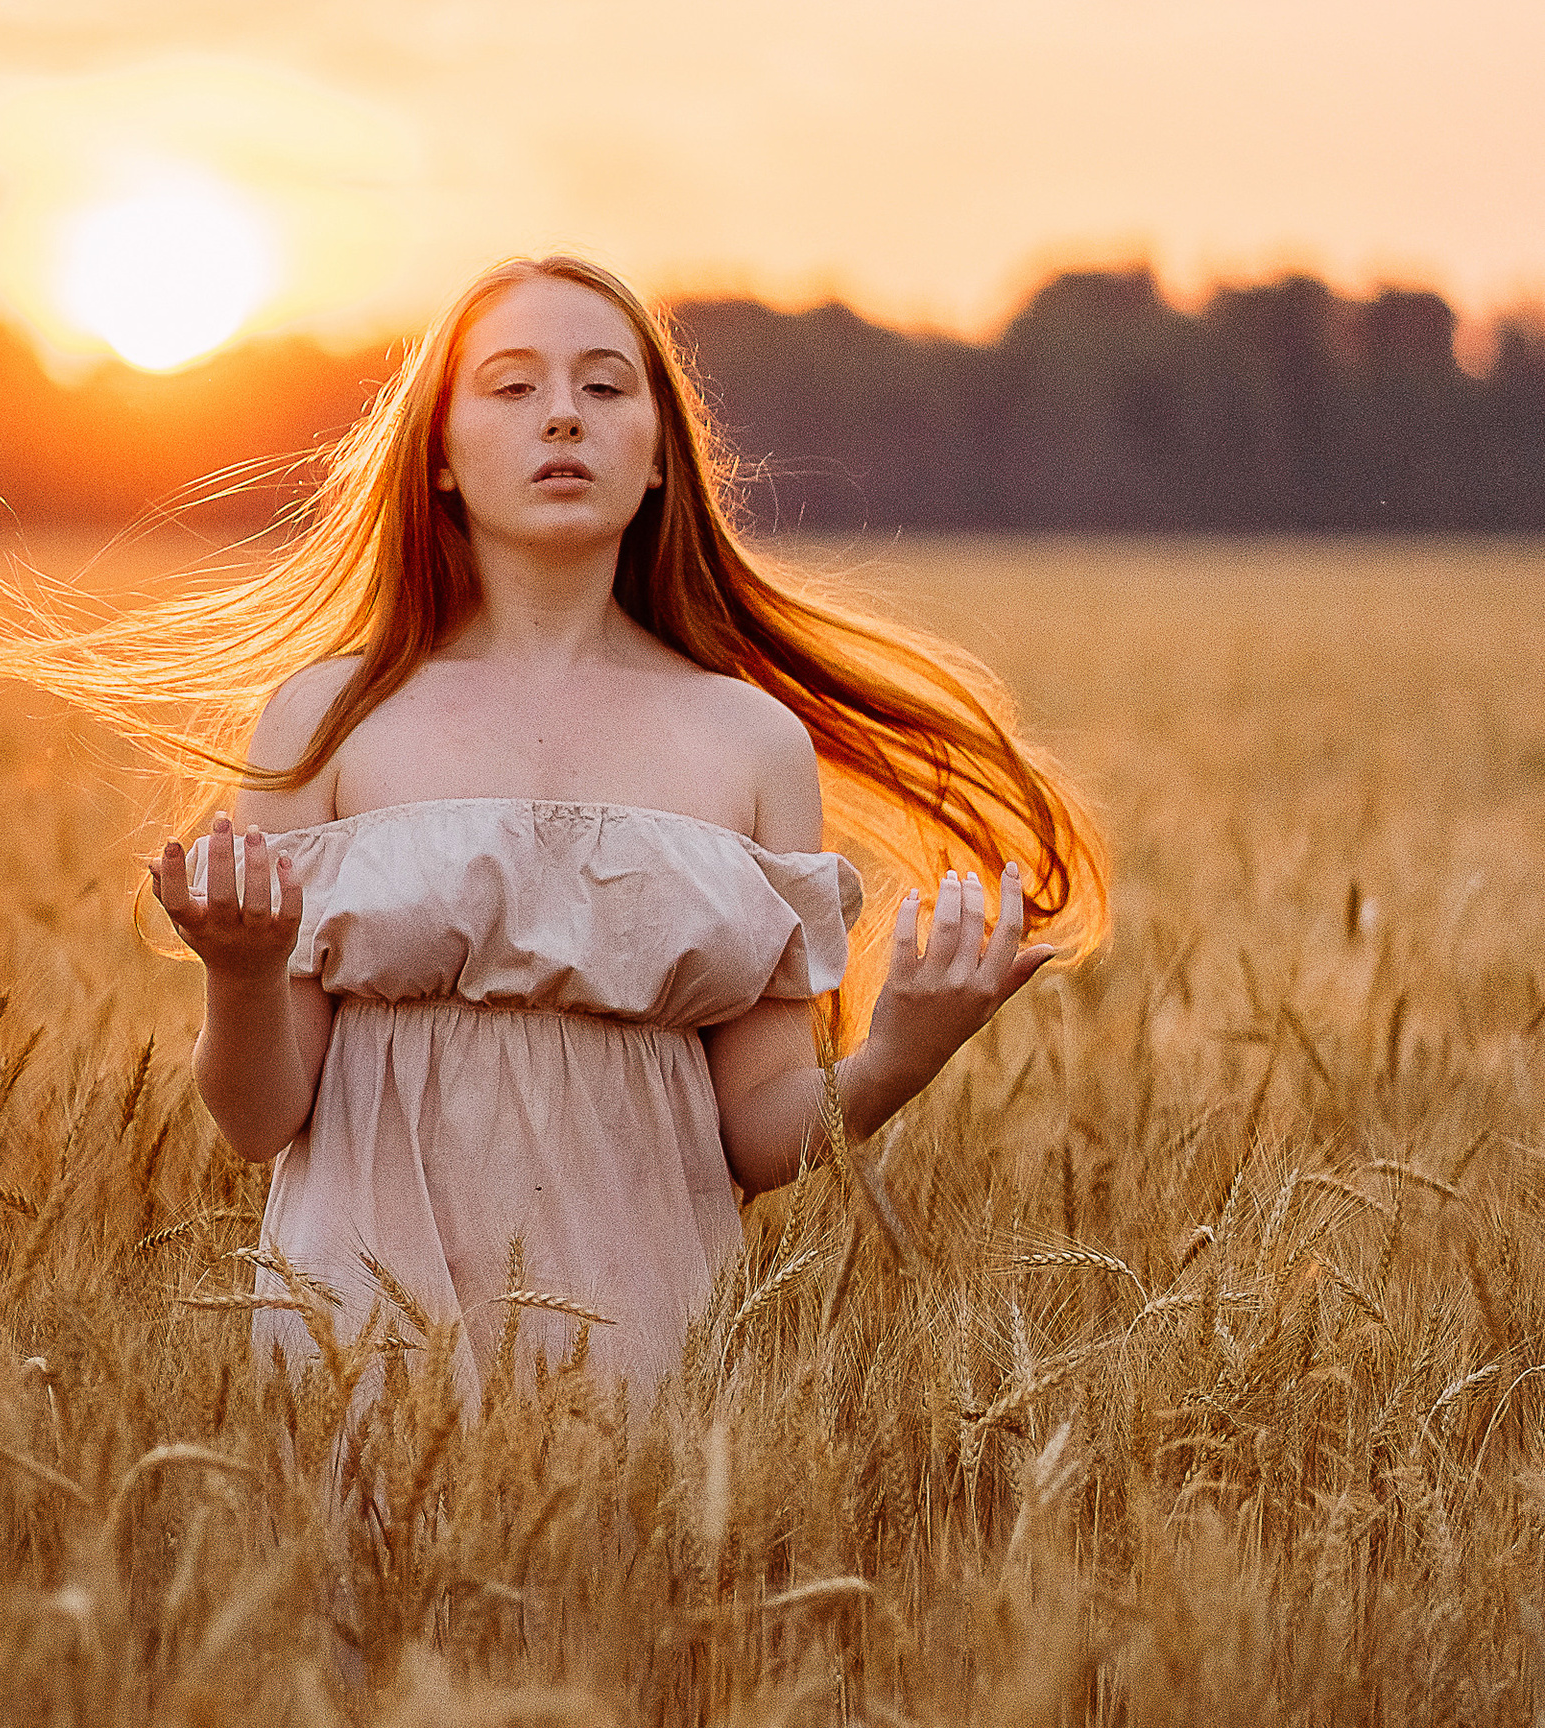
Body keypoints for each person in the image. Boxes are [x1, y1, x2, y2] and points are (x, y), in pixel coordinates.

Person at [138, 254, 1106, 1408]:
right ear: (437, 457)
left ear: (659, 459)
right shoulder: (327, 719)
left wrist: (903, 1047)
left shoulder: (749, 743)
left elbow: (758, 1133)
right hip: (361, 1338)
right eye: (511, 387)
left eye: (605, 388)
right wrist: (242, 975)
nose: (562, 413)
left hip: (647, 1345)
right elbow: (258, 1122)